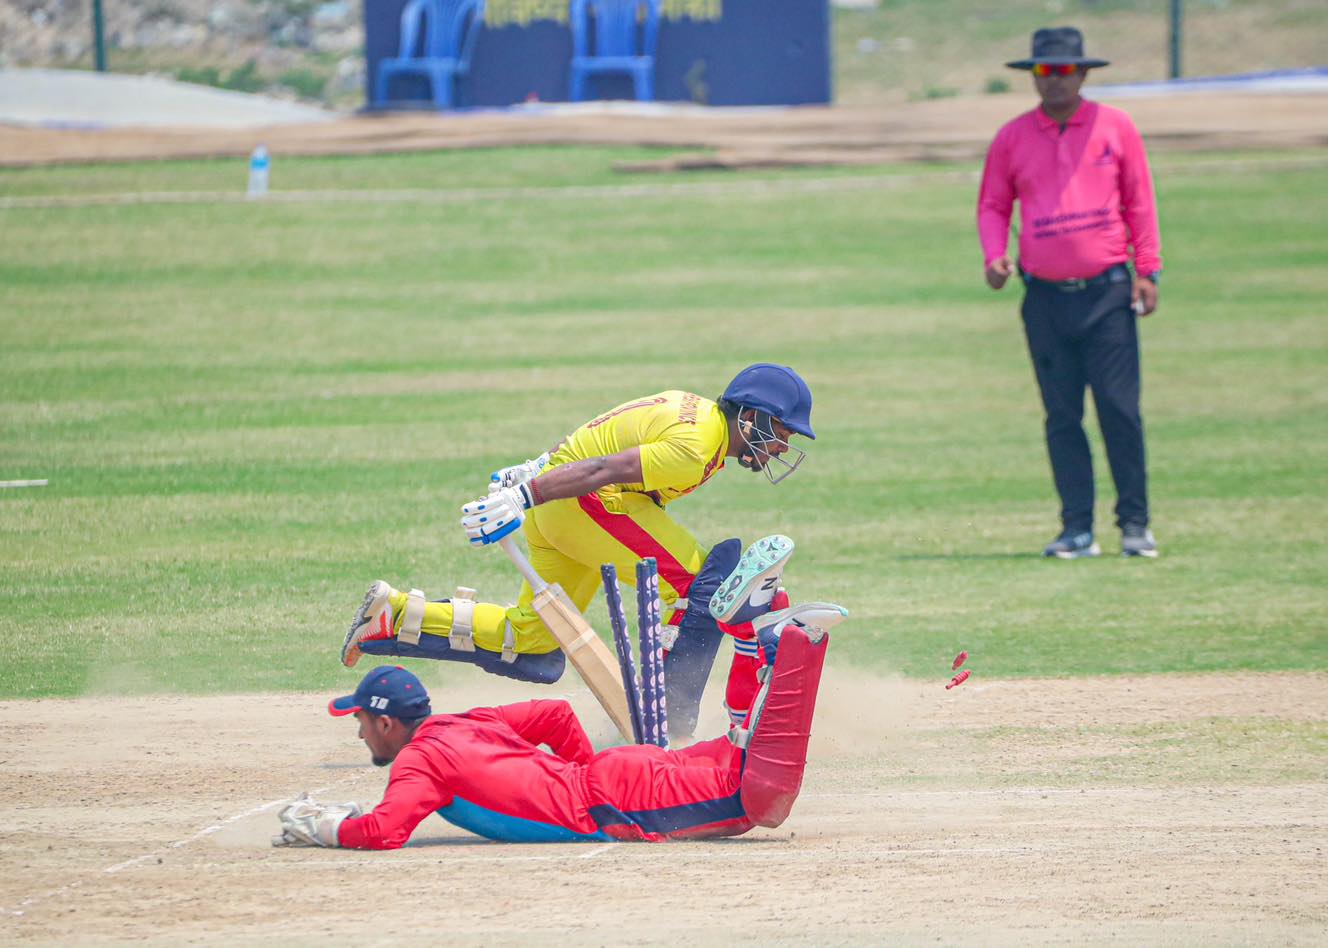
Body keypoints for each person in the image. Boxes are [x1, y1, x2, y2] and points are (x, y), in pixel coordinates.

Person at [338, 363, 816, 739]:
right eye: (782, 432)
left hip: (562, 510)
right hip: (580, 505)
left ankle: (395, 613)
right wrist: (525, 494)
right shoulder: (695, 446)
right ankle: (665, 722)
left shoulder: (691, 408)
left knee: (533, 639)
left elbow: (599, 433)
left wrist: (539, 467)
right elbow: (604, 467)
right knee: (702, 590)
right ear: (750, 417)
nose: (782, 446)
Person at [274, 602, 846, 850]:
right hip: (618, 774)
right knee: (744, 760)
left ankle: (781, 644)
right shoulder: (462, 723)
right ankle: (763, 630)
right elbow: (555, 714)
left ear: (385, 721)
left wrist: (327, 827)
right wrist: (583, 773)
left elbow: (385, 831)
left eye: (361, 722)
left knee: (758, 799)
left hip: (618, 799)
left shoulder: (419, 762)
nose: (360, 735)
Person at [978, 27, 1163, 559]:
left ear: (1082, 73)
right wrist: (994, 255)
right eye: (1044, 71)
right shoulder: (1012, 137)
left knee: (1119, 411)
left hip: (1108, 293)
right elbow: (994, 204)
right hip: (1045, 299)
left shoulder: (1115, 126)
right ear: (1033, 76)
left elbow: (1139, 200)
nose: (1054, 81)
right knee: (1062, 417)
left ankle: (1135, 525)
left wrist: (1148, 270)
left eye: (1063, 71)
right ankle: (1077, 529)